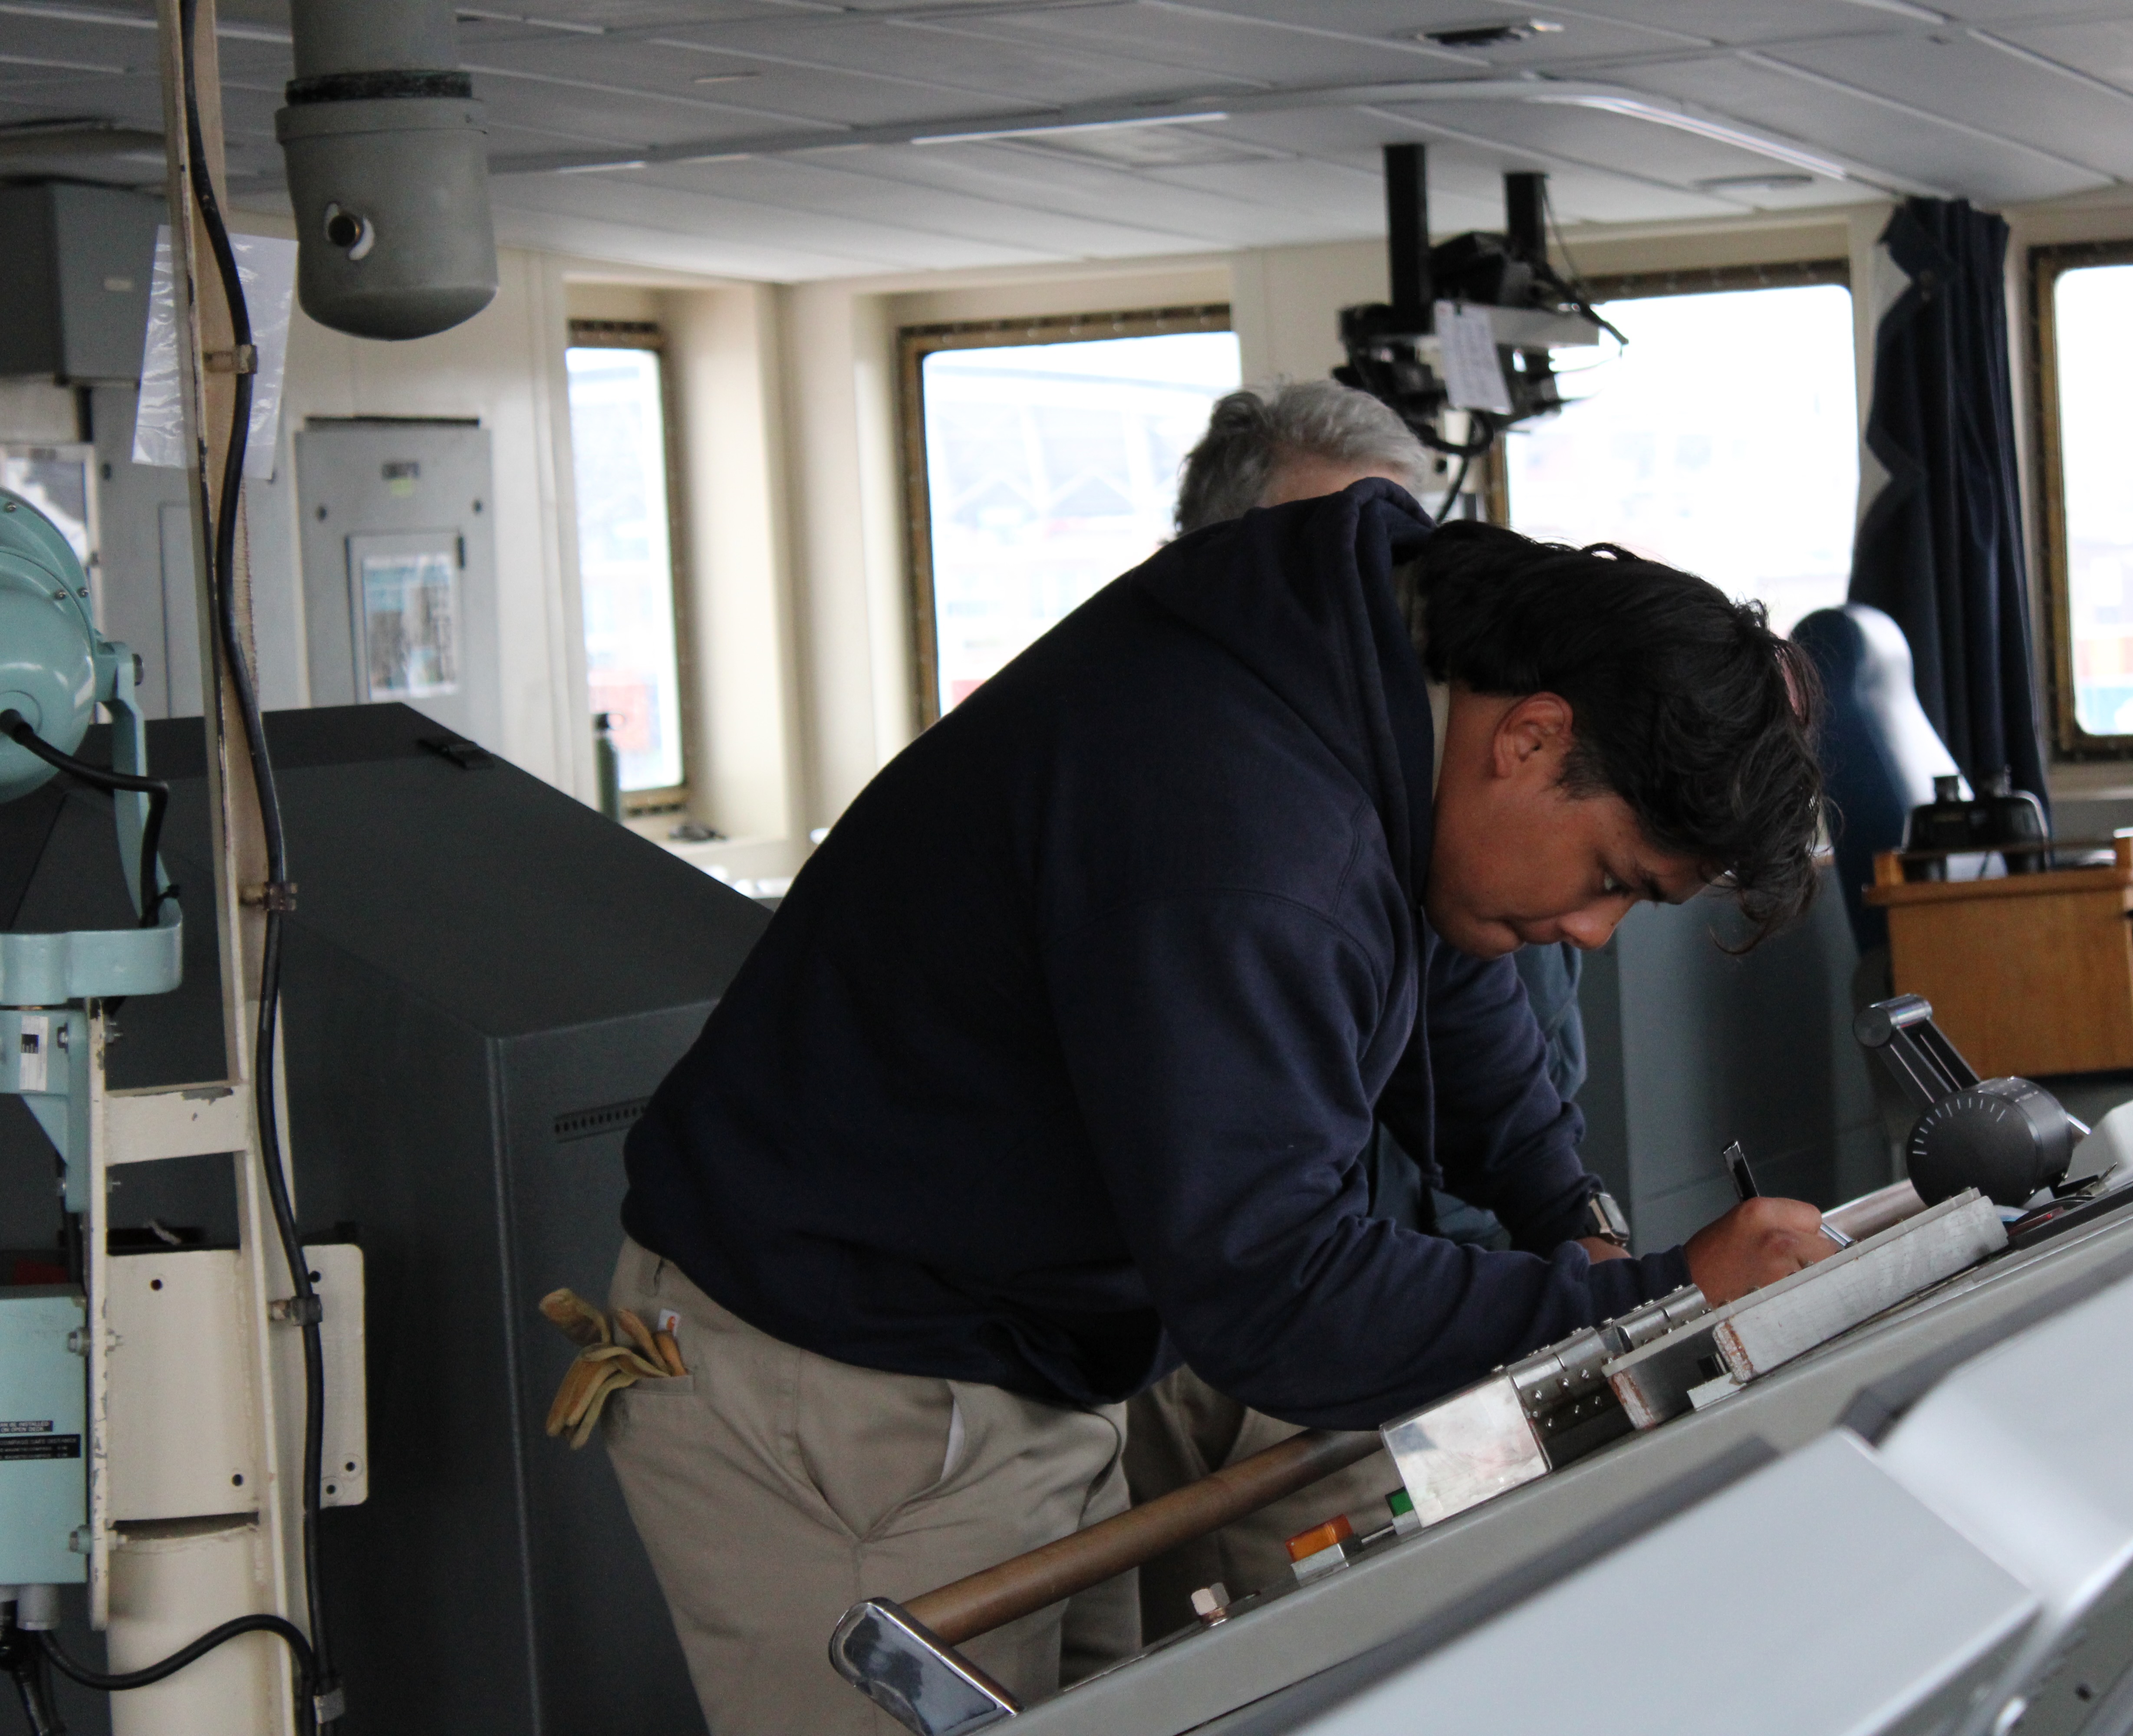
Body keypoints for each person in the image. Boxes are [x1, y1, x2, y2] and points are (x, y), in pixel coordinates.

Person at [601, 479, 1837, 1735]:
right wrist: (1652, 1295)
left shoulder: (1393, 660)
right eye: (1611, 880)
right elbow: (1275, 1293)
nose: (1590, 932)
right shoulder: (1250, 837)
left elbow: (1464, 959)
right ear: (1530, 737)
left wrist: (1563, 1209)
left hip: (1032, 1350)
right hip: (845, 1364)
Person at [1127, 382, 1593, 1634]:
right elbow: (1258, 1247)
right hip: (1198, 1309)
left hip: (1371, 1295)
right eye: (1336, 556)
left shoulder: (1426, 798)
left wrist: (1577, 1230)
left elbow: (1482, 1040)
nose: (1382, 611)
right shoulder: (1225, 807)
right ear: (1233, 565)